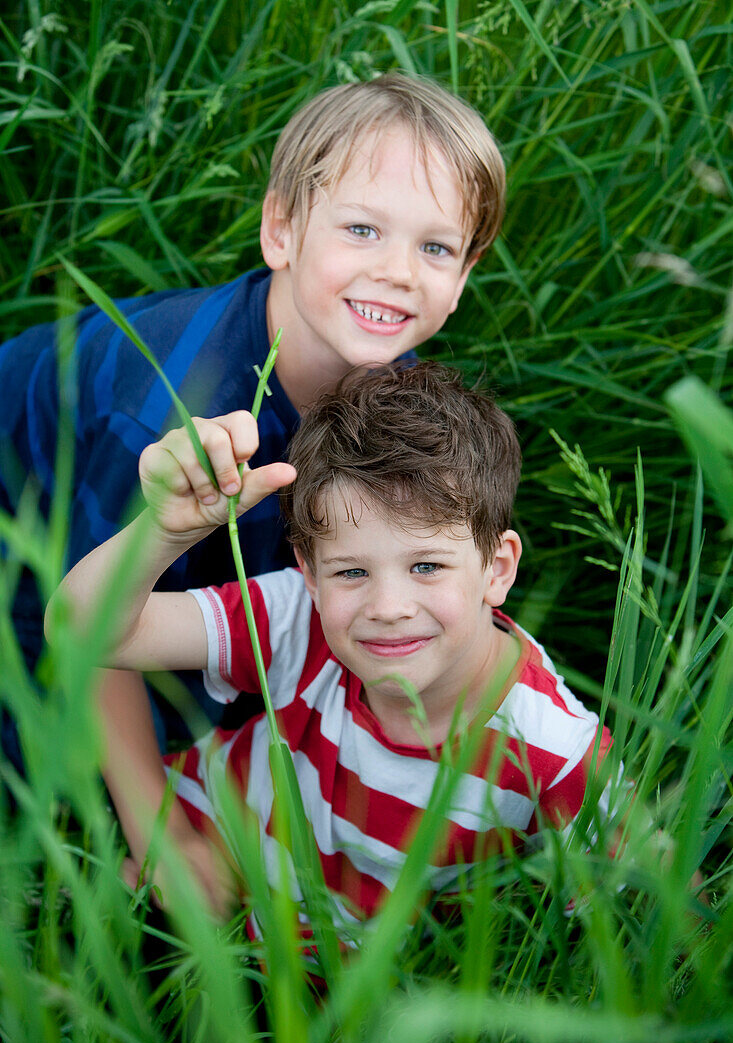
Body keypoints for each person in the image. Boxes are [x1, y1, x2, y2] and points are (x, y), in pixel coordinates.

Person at [0, 72, 506, 796]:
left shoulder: (389, 366)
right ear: (282, 231)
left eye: (435, 248)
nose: (396, 272)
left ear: (462, 277)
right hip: (41, 558)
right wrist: (156, 833)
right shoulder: (167, 409)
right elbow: (91, 620)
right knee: (66, 770)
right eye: (362, 229)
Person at [47, 362, 623, 941]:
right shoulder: (302, 618)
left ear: (496, 570)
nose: (388, 606)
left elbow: (653, 909)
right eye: (351, 571)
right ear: (311, 576)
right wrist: (165, 532)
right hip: (207, 840)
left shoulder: (557, 757)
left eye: (426, 566)